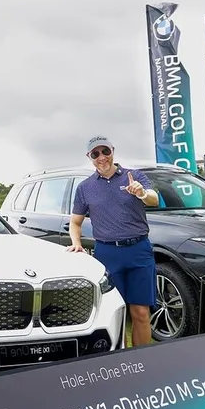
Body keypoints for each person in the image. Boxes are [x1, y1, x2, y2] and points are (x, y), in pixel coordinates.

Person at [66, 135, 160, 347]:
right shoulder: (85, 188)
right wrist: (77, 243)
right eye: (95, 153)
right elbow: (75, 223)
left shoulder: (134, 176)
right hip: (107, 254)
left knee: (141, 312)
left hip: (138, 250)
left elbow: (154, 199)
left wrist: (142, 193)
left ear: (112, 151)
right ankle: (123, 366)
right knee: (116, 313)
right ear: (89, 157)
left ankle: (143, 363)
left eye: (105, 151)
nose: (102, 157)